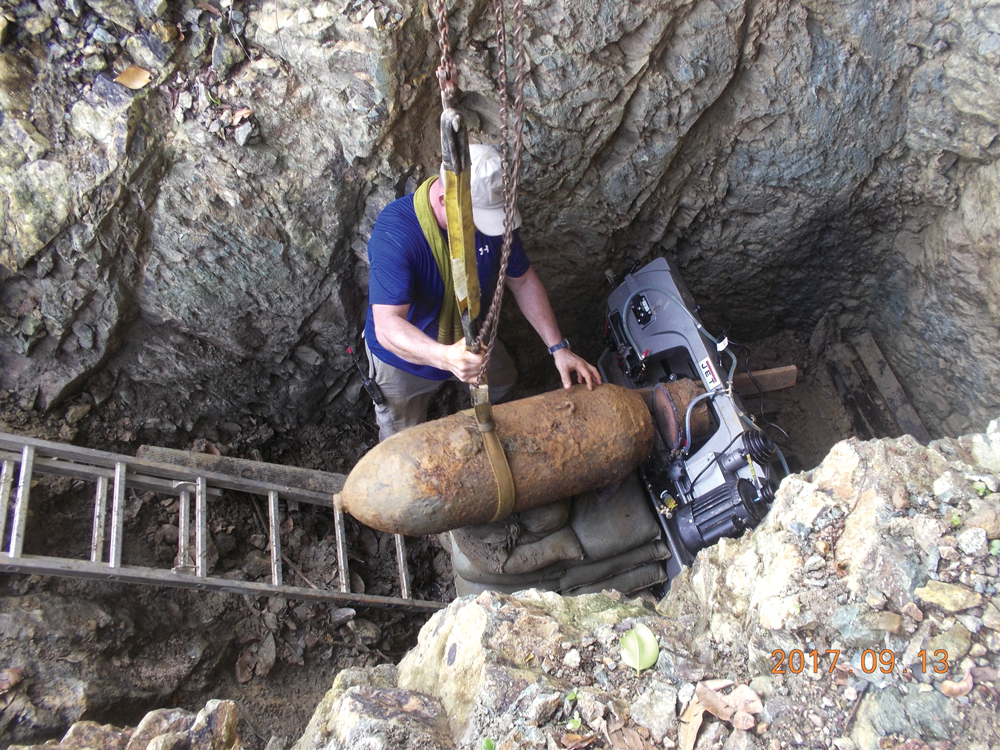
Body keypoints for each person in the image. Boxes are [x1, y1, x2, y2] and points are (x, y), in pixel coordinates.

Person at [364, 144, 602, 441]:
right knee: (401, 438)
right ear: (444, 200)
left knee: (504, 383)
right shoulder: (396, 234)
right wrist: (446, 357)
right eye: (478, 220)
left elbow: (523, 281)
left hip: (472, 336)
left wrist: (558, 348)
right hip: (406, 358)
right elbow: (388, 326)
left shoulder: (495, 223)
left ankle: (494, 432)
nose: (487, 229)